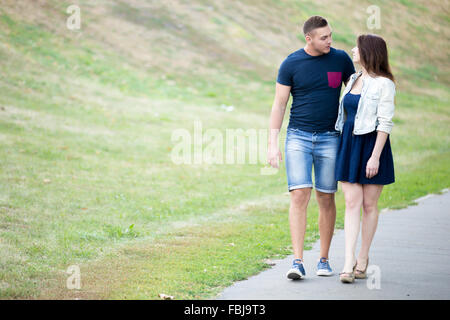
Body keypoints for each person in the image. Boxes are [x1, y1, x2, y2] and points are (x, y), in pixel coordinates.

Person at [267, 16, 355, 280]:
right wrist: (272, 143)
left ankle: (324, 260)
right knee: (298, 195)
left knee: (326, 197)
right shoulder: (291, 63)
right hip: (298, 137)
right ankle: (297, 261)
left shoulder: (340, 60)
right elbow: (279, 105)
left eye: (330, 36)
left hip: (331, 138)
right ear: (309, 38)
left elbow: (356, 93)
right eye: (324, 37)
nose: (330, 41)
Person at [334, 34, 396, 283]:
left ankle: (363, 257)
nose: (352, 50)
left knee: (369, 206)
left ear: (368, 52)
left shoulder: (385, 84)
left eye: (357, 47)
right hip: (349, 144)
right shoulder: (352, 79)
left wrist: (375, 157)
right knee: (351, 203)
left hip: (373, 145)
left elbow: (385, 122)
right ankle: (348, 262)